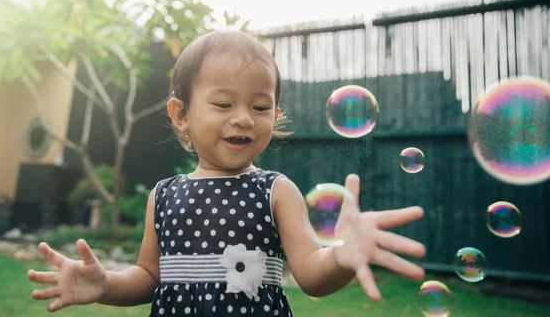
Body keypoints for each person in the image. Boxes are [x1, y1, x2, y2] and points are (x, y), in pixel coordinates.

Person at [27, 30, 427, 316]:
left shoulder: (275, 191)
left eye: (259, 107)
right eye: (222, 104)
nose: (243, 119)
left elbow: (310, 272)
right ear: (181, 114)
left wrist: (340, 257)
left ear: (275, 114)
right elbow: (149, 276)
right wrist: (106, 285)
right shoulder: (163, 195)